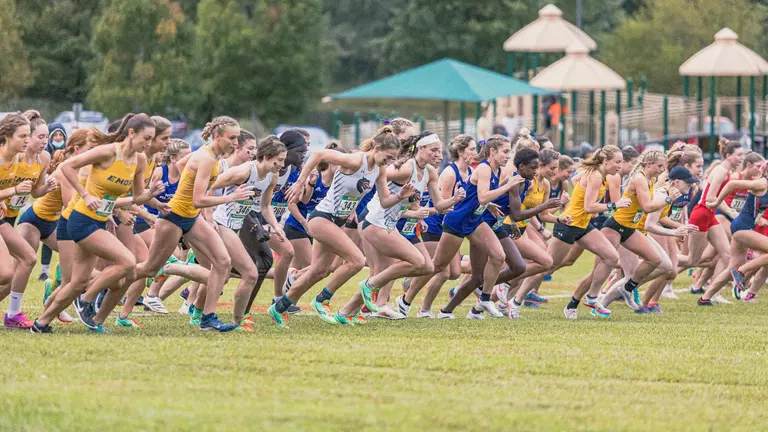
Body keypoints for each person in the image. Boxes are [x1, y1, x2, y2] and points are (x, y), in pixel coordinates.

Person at [32, 113, 162, 334]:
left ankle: (41, 323)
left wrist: (152, 195)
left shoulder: (139, 160)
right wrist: (84, 195)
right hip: (81, 220)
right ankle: (87, 300)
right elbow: (66, 167)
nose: (149, 144)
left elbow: (137, 197)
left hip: (99, 221)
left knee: (77, 282)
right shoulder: (109, 152)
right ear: (131, 133)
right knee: (128, 262)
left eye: (152, 139)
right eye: (146, 138)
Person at [268, 126, 404, 327]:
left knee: (320, 270)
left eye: (393, 158)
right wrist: (300, 182)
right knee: (357, 260)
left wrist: (401, 196)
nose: (390, 161)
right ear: (376, 147)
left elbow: (385, 201)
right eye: (388, 156)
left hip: (336, 222)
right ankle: (322, 300)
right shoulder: (356, 160)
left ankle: (279, 308)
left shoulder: (379, 169)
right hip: (322, 218)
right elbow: (319, 154)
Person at [131, 116, 251, 332]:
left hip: (191, 217)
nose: (236, 142)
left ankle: (207, 318)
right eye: (232, 138)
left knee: (223, 262)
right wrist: (230, 198)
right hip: (174, 217)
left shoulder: (208, 154)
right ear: (217, 136)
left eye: (237, 138)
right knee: (149, 269)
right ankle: (99, 285)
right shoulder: (206, 158)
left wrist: (187, 177)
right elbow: (199, 200)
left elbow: (181, 163)